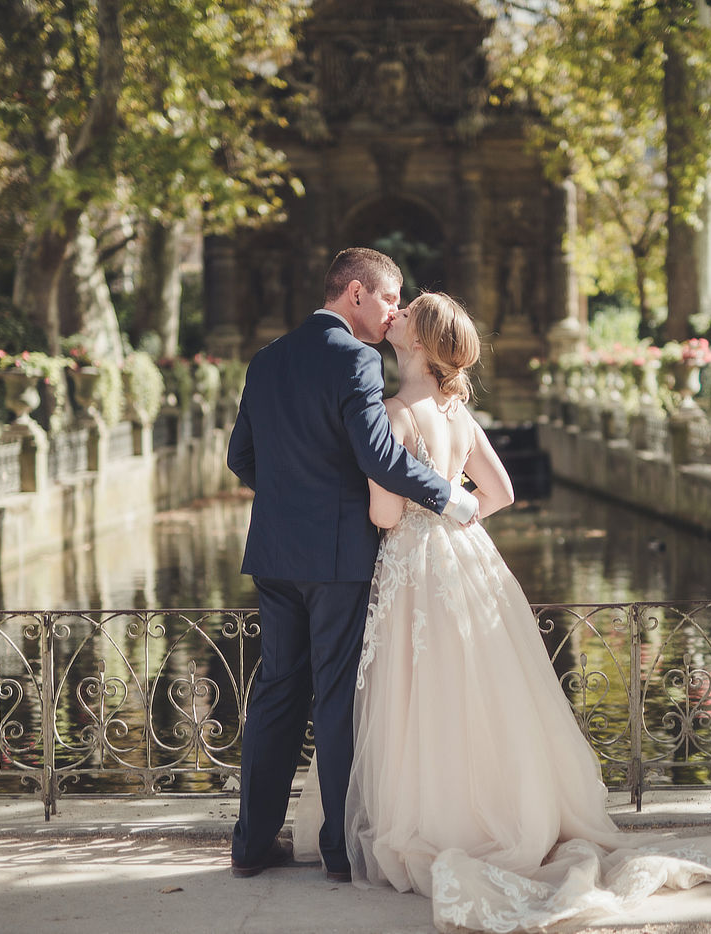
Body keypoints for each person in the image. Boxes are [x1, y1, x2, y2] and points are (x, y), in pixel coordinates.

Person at [297, 292, 711, 933]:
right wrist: (450, 520)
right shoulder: (457, 413)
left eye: (406, 314)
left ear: (417, 343)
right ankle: (500, 811)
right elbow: (501, 492)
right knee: (480, 688)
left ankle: (440, 818)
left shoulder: (395, 414)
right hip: (465, 558)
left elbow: (383, 514)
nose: (396, 316)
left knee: (419, 692)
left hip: (412, 563)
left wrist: (406, 518)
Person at [226, 248, 480, 883]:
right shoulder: (357, 359)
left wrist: (291, 500)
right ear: (357, 294)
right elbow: (379, 460)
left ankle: (251, 846)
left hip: (276, 553)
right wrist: (451, 497)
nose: (397, 312)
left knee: (278, 692)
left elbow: (241, 458)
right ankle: (339, 853)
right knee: (336, 698)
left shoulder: (267, 358)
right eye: (391, 299)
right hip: (337, 557)